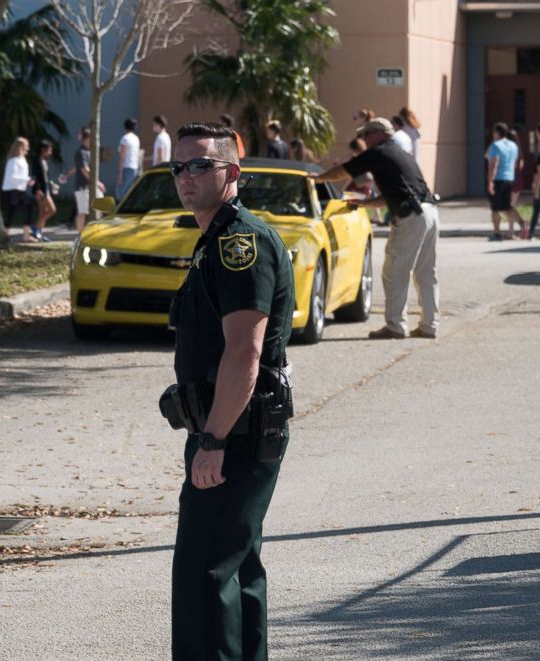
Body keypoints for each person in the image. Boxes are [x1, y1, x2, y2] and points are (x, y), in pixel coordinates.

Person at [167, 121, 294, 661]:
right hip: (228, 425)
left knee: (205, 571)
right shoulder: (214, 238)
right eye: (178, 167)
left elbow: (245, 349)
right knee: (237, 568)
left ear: (232, 173)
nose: (186, 177)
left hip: (235, 431)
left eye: (201, 165)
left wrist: (213, 439)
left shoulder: (240, 241)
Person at [311, 117, 439, 340]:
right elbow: (393, 194)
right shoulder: (399, 154)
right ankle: (429, 325)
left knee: (395, 271)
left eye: (366, 135)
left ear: (378, 134)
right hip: (429, 212)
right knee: (425, 272)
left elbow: (344, 171)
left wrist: (319, 178)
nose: (364, 140)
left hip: (411, 217)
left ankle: (396, 326)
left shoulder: (378, 152)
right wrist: (364, 204)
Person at [485, 122, 525, 240]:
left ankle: (497, 233)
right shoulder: (513, 145)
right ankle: (523, 225)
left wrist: (490, 182)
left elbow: (494, 164)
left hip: (498, 179)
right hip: (510, 178)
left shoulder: (495, 146)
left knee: (495, 208)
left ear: (496, 132)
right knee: (507, 207)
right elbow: (515, 162)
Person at [1, 137, 33, 239]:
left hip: (20, 189)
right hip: (11, 190)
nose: (28, 148)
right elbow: (12, 177)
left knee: (28, 207)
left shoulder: (22, 159)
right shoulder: (13, 161)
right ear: (21, 147)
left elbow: (21, 175)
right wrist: (26, 180)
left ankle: (26, 235)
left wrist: (28, 180)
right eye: (26, 146)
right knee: (10, 212)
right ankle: (4, 235)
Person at [30, 139, 55, 242]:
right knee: (52, 210)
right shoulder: (36, 161)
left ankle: (39, 234)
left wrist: (51, 184)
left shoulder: (44, 160)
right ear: (43, 150)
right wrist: (37, 190)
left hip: (46, 188)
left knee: (43, 212)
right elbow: (35, 177)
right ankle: (35, 228)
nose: (50, 152)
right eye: (49, 150)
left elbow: (45, 176)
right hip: (40, 190)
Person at [117, 117, 140, 199]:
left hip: (126, 168)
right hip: (135, 168)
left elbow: (122, 156)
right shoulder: (136, 139)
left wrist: (120, 173)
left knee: (121, 194)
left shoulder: (125, 139)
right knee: (131, 193)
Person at [507, 129, 525, 210]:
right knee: (513, 203)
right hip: (518, 177)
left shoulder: (508, 149)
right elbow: (521, 166)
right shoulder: (518, 150)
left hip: (509, 177)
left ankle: (520, 221)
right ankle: (514, 222)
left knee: (509, 203)